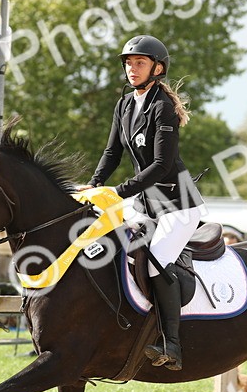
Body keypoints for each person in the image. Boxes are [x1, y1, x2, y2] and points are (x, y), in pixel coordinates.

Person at [84, 35, 206, 371]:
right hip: (145, 202)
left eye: (139, 63)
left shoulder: (161, 107)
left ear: (158, 68)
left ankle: (173, 345)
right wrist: (94, 185)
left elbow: (161, 165)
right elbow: (112, 153)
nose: (131, 69)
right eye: (128, 62)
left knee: (153, 263)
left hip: (178, 204)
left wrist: (119, 191)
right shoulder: (124, 105)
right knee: (109, 245)